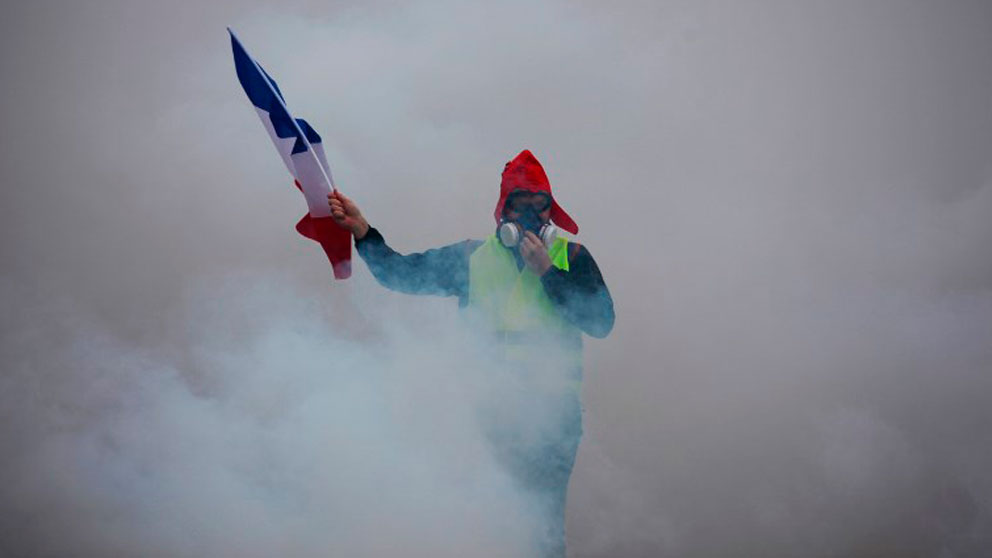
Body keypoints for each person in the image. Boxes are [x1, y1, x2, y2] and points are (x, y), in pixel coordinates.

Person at [328, 149, 614, 557]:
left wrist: (549, 274)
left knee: (542, 532)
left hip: (553, 422)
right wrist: (363, 231)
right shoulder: (470, 259)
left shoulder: (573, 258)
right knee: (492, 524)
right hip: (489, 418)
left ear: (552, 213)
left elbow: (601, 321)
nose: (531, 215)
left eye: (541, 206)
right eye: (520, 205)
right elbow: (400, 274)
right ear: (503, 214)